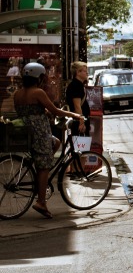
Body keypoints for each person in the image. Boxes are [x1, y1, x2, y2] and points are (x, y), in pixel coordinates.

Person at [13, 62, 84, 218]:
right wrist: (75, 115)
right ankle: (41, 202)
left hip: (27, 132)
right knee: (45, 167)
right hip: (39, 133)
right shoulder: (38, 92)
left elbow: (30, 111)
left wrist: (44, 114)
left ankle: (41, 167)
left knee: (56, 143)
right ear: (39, 78)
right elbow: (56, 111)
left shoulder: (17, 94)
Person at [64, 60, 90, 137]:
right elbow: (77, 106)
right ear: (78, 72)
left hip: (79, 119)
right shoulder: (76, 86)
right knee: (81, 146)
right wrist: (81, 123)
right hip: (78, 120)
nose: (87, 73)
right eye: (85, 71)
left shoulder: (78, 85)